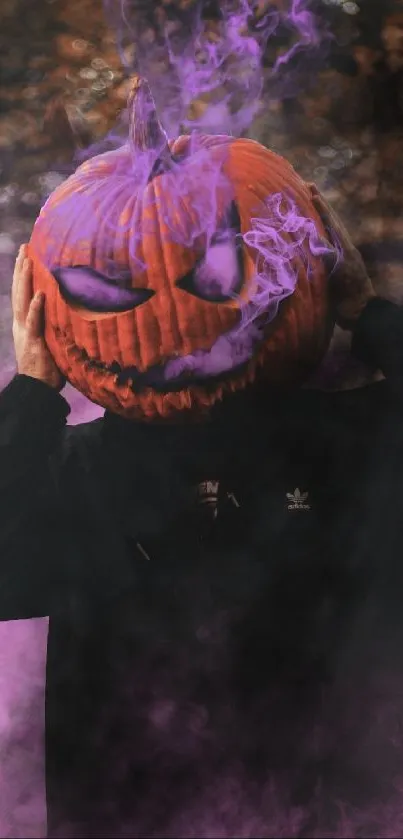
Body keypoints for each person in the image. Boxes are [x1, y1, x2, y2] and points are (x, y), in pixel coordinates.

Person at [2, 192, 403, 838]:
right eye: (110, 289)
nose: (171, 313)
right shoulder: (75, 474)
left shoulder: (339, 445)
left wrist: (366, 311)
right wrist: (31, 397)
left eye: (215, 278)